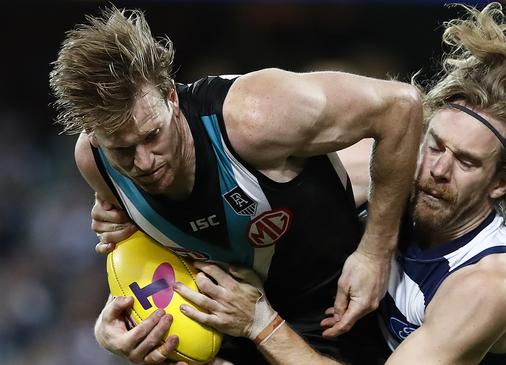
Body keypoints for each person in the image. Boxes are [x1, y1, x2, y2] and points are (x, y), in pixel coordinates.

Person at [167, 3, 506, 364]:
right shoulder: (387, 176)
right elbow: (225, 167)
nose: (439, 169)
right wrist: (125, 214)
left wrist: (259, 323)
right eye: (435, 145)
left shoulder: (487, 283)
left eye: (465, 161)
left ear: (500, 182)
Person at [48, 6, 422, 365]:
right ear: (94, 137)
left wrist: (375, 251)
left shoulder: (255, 118)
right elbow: (141, 251)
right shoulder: (94, 162)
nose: (144, 162)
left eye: (153, 135)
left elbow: (401, 106)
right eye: (123, 150)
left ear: (172, 96)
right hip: (229, 327)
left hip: (337, 316)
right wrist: (114, 326)